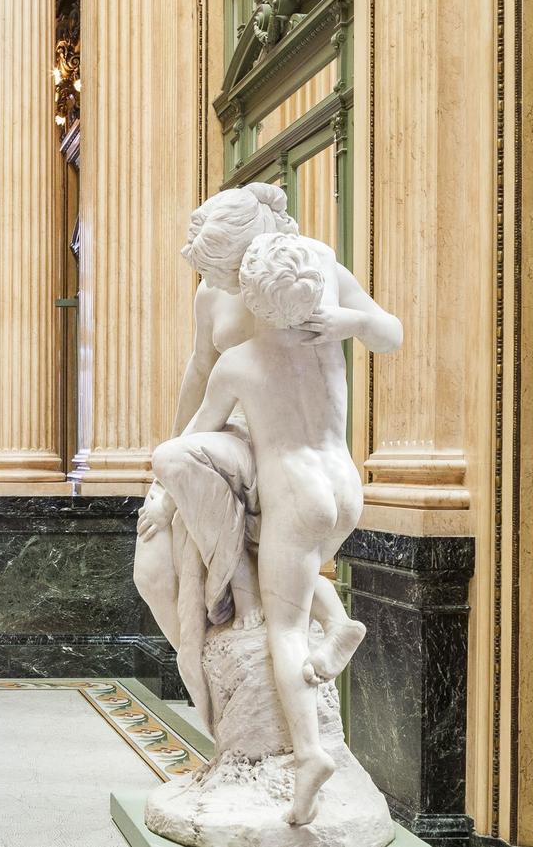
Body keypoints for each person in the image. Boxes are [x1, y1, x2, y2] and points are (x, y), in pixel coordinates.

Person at [160, 230, 370, 825]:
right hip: (345, 485)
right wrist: (345, 317)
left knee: (283, 627)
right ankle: (338, 622)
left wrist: (164, 493)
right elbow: (386, 330)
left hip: (294, 490)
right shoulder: (327, 343)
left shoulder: (240, 361)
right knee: (292, 576)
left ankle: (309, 755)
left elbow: (196, 431)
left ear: (252, 295)